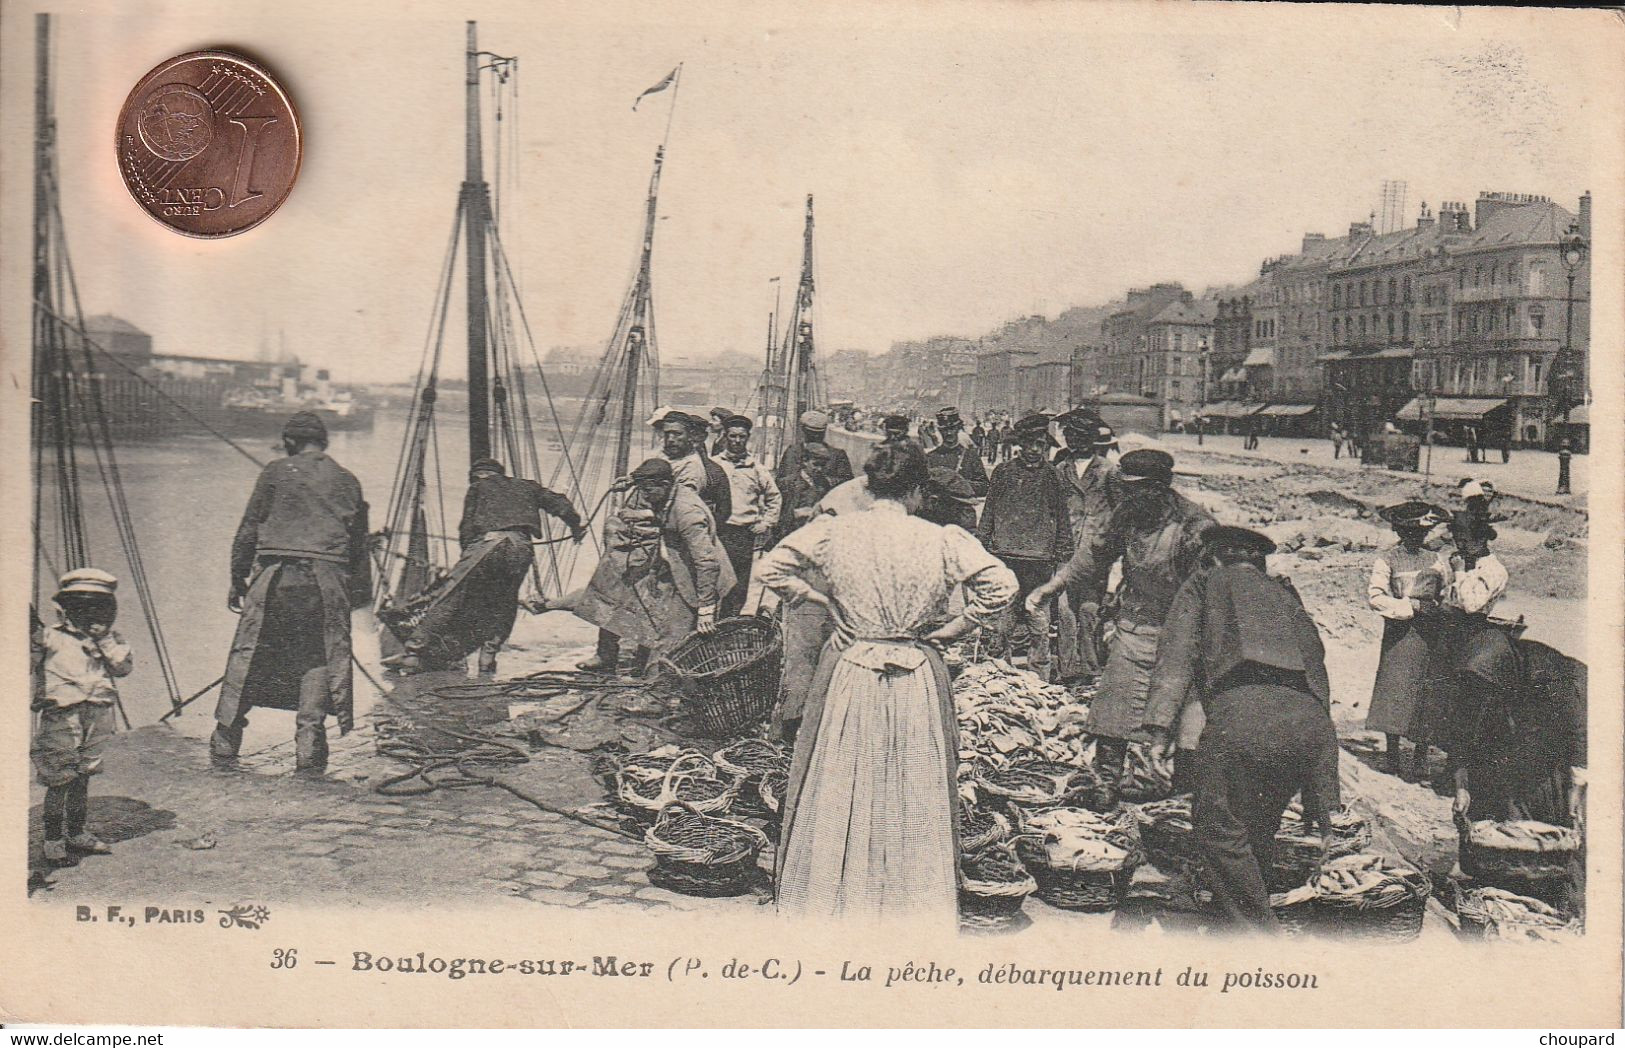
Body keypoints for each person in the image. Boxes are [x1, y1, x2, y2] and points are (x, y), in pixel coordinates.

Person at [757, 442, 1017, 925]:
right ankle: (906, 898)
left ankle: (834, 895)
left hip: (853, 669)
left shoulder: (834, 532)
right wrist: (958, 626)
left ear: (867, 486)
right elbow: (1002, 585)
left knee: (844, 775)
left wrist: (817, 599)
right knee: (910, 780)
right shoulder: (942, 539)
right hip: (915, 670)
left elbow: (770, 566)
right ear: (918, 491)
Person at [1143, 526, 1339, 933]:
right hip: (1310, 721)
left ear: (1213, 558)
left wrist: (1160, 731)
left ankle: (1259, 936)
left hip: (1243, 716)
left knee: (1216, 827)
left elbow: (1176, 654)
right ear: (1258, 561)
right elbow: (1317, 662)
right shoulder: (1284, 592)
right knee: (1259, 819)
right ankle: (1234, 912)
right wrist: (1322, 764)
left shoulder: (1204, 584)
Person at [1025, 448, 1214, 807]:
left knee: (1183, 714)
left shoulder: (1194, 526)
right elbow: (1094, 557)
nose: (1128, 497)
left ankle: (1182, 795)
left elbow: (1211, 589)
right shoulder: (1127, 515)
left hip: (1182, 633)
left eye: (1137, 489)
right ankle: (1105, 783)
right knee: (1113, 706)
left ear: (1160, 488)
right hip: (1134, 624)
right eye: (1124, 489)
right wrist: (1053, 586)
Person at [214, 412, 369, 773]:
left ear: (289, 441)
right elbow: (360, 547)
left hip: (276, 578)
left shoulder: (275, 471)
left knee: (250, 651)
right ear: (323, 442)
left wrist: (238, 580)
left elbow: (248, 530)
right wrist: (349, 596)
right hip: (326, 582)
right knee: (317, 656)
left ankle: (226, 738)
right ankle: (310, 744)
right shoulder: (348, 480)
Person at [399, 457, 583, 676]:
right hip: (520, 546)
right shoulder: (527, 486)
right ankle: (488, 658)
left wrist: (467, 560)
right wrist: (576, 527)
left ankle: (413, 653)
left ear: (477, 476)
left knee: (451, 595)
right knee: (505, 603)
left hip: (487, 544)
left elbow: (466, 530)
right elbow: (561, 504)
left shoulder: (477, 487)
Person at [567, 458, 735, 676]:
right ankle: (647, 681)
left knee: (670, 644)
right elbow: (663, 502)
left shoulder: (688, 513)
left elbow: (707, 563)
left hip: (700, 581)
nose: (644, 497)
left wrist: (705, 610)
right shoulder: (669, 491)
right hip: (677, 568)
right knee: (648, 620)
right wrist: (632, 482)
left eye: (648, 491)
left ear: (665, 485)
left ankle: (657, 696)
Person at [31, 568, 133, 864]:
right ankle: (52, 839)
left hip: (97, 715)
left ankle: (76, 832)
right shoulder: (50, 637)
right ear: (68, 608)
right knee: (59, 778)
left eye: (99, 607)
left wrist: (104, 642)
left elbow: (123, 669)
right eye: (83, 606)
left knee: (83, 776)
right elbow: (25, 658)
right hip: (62, 716)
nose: (92, 614)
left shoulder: (111, 640)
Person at [1364, 500, 1454, 781]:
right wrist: (1409, 607)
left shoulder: (1435, 560)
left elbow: (1448, 590)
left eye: (1421, 534)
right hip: (1401, 630)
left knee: (1426, 690)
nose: (1416, 538)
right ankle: (1392, 754)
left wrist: (1438, 607)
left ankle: (1420, 757)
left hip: (1431, 630)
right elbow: (1376, 597)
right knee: (1396, 688)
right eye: (1409, 533)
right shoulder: (1388, 559)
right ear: (1399, 531)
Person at [979, 413, 1073, 681]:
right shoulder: (1003, 472)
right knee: (1003, 620)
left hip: (1040, 560)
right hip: (1005, 557)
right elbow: (989, 511)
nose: (1034, 450)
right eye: (1029, 443)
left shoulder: (1053, 476)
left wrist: (1063, 555)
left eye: (1040, 444)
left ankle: (1039, 678)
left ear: (1046, 446)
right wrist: (981, 545)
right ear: (1019, 444)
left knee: (1038, 623)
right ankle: (998, 675)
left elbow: (1062, 517)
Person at [1050, 410, 1118, 683]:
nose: (1075, 441)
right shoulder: (1059, 471)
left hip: (1095, 554)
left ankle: (1090, 667)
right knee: (1064, 613)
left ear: (1092, 438)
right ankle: (1068, 670)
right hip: (1065, 553)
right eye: (1071, 435)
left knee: (1090, 611)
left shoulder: (1109, 472)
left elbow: (1120, 512)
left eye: (1081, 435)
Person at [713, 415, 782, 618]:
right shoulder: (714, 465)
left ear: (747, 438)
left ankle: (728, 628)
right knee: (712, 582)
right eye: (732, 436)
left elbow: (774, 497)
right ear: (725, 437)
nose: (736, 441)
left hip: (743, 535)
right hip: (718, 533)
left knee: (738, 588)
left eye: (741, 437)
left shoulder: (757, 469)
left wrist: (766, 522)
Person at [774, 409, 855, 497]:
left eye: (817, 434)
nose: (815, 437)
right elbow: (780, 484)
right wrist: (804, 476)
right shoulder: (793, 451)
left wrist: (823, 480)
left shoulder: (838, 455)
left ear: (802, 430)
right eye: (812, 433)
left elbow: (848, 485)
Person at [924, 406, 990, 500]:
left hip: (963, 511)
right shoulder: (930, 457)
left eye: (952, 428)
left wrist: (961, 484)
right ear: (940, 430)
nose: (949, 433)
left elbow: (985, 487)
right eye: (945, 430)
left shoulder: (970, 456)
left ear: (958, 428)